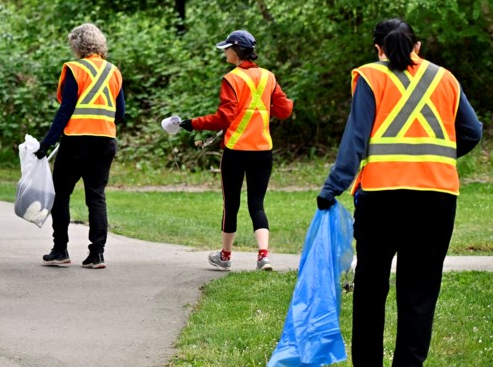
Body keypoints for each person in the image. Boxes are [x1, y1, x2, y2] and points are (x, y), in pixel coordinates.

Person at [317, 18, 482, 366]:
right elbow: (472, 132)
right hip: (437, 198)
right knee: (419, 293)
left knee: (371, 290)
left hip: (382, 199)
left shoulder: (371, 76)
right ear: (416, 46)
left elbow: (355, 140)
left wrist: (333, 187)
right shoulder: (444, 78)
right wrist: (434, 157)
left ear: (378, 49)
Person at [173, 29, 293, 271]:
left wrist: (192, 124)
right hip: (262, 150)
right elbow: (285, 111)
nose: (225, 52)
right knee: (257, 204)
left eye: (227, 48)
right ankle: (263, 256)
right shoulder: (269, 77)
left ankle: (226, 256)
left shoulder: (232, 79)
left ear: (236, 51)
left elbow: (223, 117)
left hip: (236, 151)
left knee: (231, 204)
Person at [35, 23, 125, 269]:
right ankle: (97, 254)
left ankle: (60, 249)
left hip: (76, 141)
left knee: (61, 194)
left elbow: (66, 110)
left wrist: (46, 143)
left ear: (76, 45)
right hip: (105, 141)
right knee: (96, 197)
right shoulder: (113, 71)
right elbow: (121, 113)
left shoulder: (75, 69)